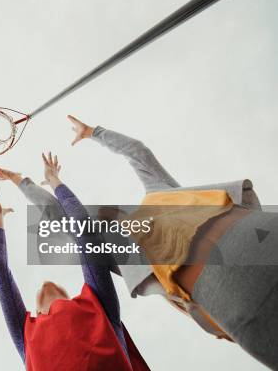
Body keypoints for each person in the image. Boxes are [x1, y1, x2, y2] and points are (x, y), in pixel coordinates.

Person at [66, 114, 277, 369]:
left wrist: (93, 132)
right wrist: (41, 183)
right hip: (234, 298)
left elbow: (138, 153)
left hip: (253, 241)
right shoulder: (127, 256)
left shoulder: (160, 193)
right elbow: (73, 228)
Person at [0, 154, 150, 370]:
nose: (46, 283)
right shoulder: (97, 303)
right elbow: (84, 230)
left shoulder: (27, 334)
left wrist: (54, 182)